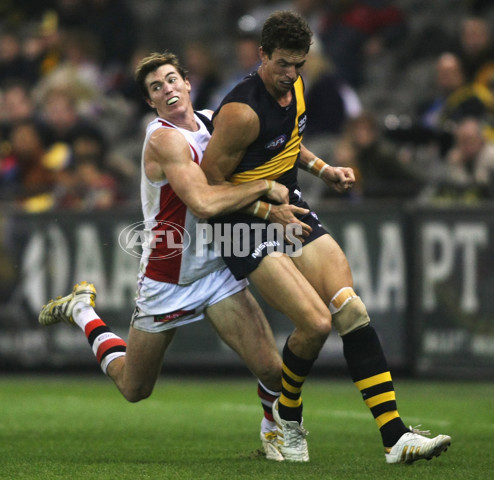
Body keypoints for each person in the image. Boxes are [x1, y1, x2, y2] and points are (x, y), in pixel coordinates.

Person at [200, 10, 451, 464]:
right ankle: (289, 420)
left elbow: (289, 143)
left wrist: (324, 170)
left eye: (298, 64)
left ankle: (395, 438)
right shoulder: (239, 111)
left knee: (349, 309)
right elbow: (209, 186)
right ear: (262, 55)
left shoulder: (295, 85)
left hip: (287, 205)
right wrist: (265, 210)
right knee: (315, 324)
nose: (290, 74)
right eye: (282, 64)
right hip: (240, 221)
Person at [38, 51, 308, 461]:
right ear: (150, 101)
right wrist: (262, 189)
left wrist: (322, 168)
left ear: (186, 82)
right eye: (155, 87)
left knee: (272, 369)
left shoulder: (210, 120)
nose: (166, 90)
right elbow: (201, 203)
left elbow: (280, 144)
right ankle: (82, 312)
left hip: (217, 269)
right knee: (134, 388)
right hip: (170, 277)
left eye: (170, 80)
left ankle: (272, 435)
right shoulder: (163, 138)